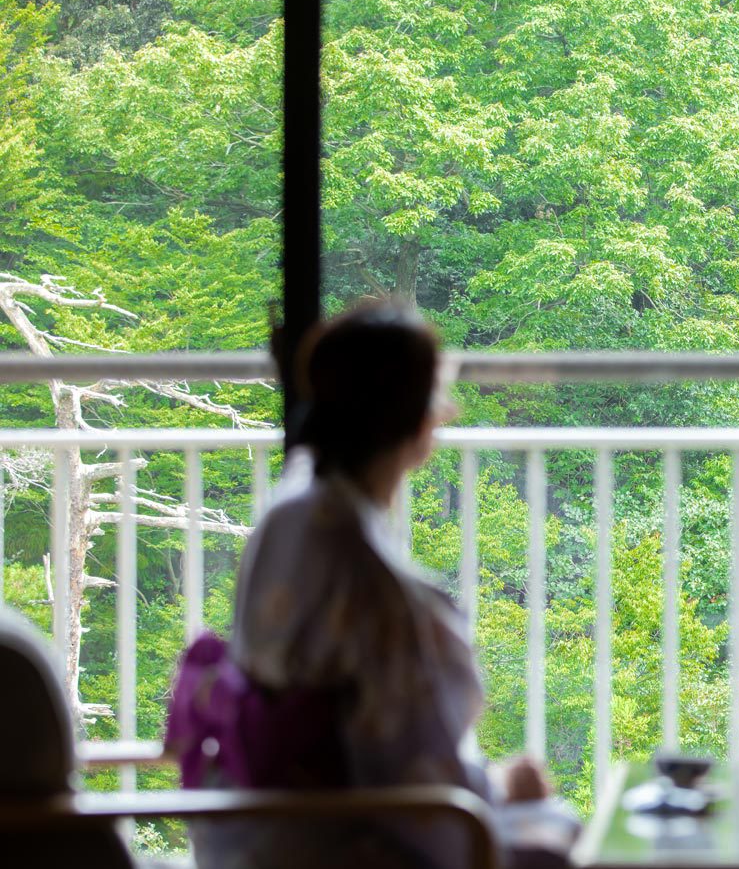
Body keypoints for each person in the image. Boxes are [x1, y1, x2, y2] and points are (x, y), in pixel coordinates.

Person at [185, 304, 574, 869]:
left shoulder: (290, 510)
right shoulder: (377, 583)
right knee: (559, 835)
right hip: (334, 842)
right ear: (423, 424)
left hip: (247, 831)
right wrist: (506, 787)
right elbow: (428, 798)